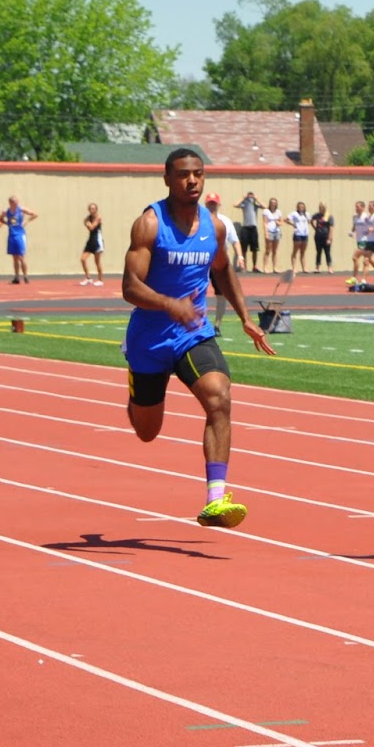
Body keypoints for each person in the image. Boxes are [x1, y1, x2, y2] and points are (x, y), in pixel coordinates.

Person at [122, 149, 276, 528]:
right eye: (183, 175)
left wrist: (245, 318)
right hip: (150, 340)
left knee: (219, 395)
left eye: (198, 174)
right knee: (147, 431)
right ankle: (134, 391)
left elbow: (223, 272)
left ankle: (215, 498)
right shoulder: (149, 225)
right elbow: (129, 287)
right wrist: (168, 304)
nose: (192, 181)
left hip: (193, 334)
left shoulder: (215, 227)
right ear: (167, 179)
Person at [202, 193, 245, 333]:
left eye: (214, 203)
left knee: (222, 294)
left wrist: (240, 257)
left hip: (219, 262)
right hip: (202, 261)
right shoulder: (199, 219)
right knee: (197, 292)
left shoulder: (225, 221)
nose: (212, 206)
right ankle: (198, 323)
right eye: (210, 203)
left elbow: (235, 240)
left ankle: (217, 325)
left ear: (218, 205)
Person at [2, 195, 38, 284]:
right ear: (10, 203)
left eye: (17, 202)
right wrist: (6, 223)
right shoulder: (7, 211)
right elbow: (0, 218)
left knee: (21, 257)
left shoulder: (21, 209)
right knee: (14, 257)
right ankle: (17, 277)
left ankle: (25, 276)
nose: (16, 203)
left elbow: (35, 214)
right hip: (11, 235)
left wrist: (26, 221)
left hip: (20, 235)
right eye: (14, 202)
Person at [235, 191, 262, 270]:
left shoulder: (255, 204)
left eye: (251, 195)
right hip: (245, 227)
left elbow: (265, 206)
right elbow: (235, 205)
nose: (250, 197)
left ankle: (254, 266)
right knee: (244, 249)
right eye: (249, 195)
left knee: (255, 249)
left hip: (253, 227)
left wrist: (256, 199)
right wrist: (243, 198)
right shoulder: (245, 204)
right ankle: (244, 266)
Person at [80, 203, 105, 285]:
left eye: (93, 208)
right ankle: (88, 278)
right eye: (90, 209)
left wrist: (88, 224)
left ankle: (100, 280)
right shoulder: (88, 218)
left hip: (97, 240)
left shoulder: (98, 217)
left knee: (97, 261)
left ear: (96, 210)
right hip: (90, 240)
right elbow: (85, 222)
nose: (92, 210)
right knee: (83, 259)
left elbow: (92, 227)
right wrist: (87, 223)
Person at [286, 200, 310, 273]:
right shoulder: (294, 214)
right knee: (295, 251)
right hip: (297, 234)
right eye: (299, 207)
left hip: (305, 234)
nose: (301, 208)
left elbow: (309, 221)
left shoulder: (306, 214)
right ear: (297, 207)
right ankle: (294, 268)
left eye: (302, 207)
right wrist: (293, 224)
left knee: (303, 252)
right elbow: (286, 220)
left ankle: (304, 268)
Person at [261, 196, 283, 273]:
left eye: (274, 203)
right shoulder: (266, 211)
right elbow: (265, 222)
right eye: (272, 203)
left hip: (276, 231)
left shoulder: (278, 212)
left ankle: (275, 267)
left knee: (275, 251)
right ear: (270, 204)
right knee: (268, 250)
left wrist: (278, 223)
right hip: (269, 231)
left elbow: (281, 222)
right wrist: (266, 233)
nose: (273, 204)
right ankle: (265, 267)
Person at [310, 202, 334, 274]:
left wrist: (329, 238)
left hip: (326, 236)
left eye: (323, 208)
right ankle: (317, 267)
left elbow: (331, 228)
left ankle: (329, 268)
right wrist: (315, 228)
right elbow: (311, 220)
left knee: (327, 252)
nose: (321, 209)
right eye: (320, 208)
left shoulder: (329, 216)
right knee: (318, 252)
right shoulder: (317, 215)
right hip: (318, 236)